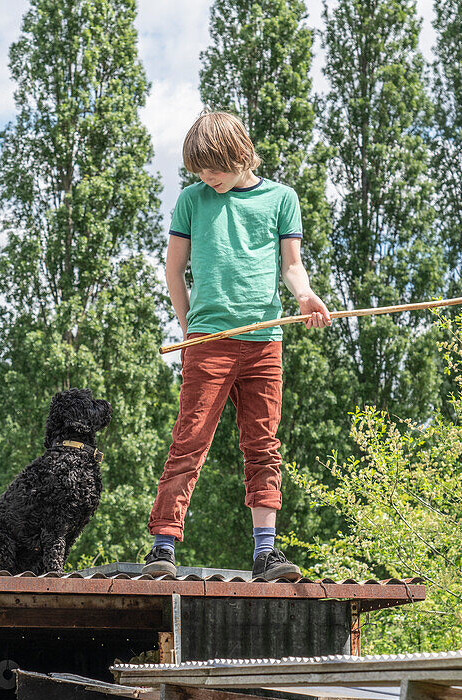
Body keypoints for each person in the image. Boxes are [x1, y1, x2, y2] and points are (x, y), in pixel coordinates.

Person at [141, 110, 332, 581]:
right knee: (190, 441)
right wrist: (190, 328)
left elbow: (291, 266)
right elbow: (174, 270)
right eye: (200, 171)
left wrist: (305, 296)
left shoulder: (281, 199)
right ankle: (162, 545)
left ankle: (266, 552)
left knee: (263, 445)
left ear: (240, 155)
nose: (207, 178)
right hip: (210, 342)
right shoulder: (192, 200)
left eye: (215, 169)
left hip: (265, 342)